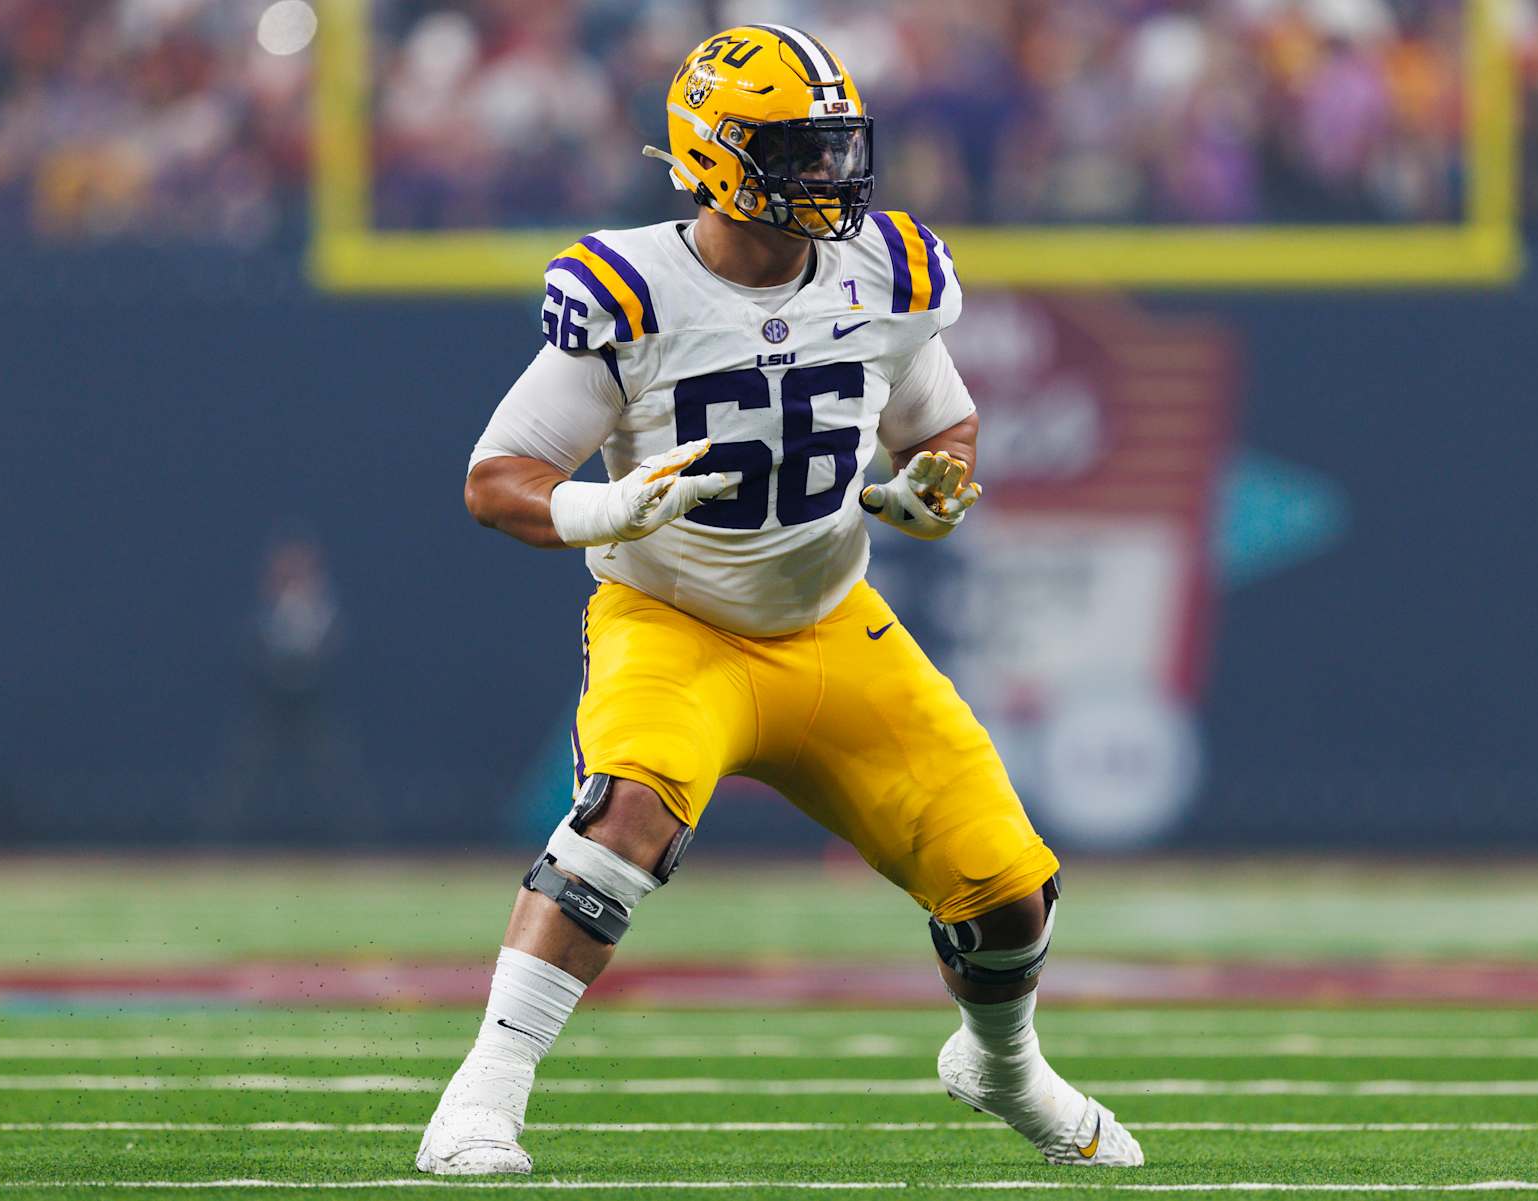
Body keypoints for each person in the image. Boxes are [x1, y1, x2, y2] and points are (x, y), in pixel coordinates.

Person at [419, 24, 1143, 1176]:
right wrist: (600, 512)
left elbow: (940, 416)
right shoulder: (632, 290)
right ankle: (481, 1097)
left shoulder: (882, 273)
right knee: (623, 822)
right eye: (797, 153)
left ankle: (1001, 1067)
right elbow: (495, 479)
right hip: (673, 622)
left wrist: (933, 484)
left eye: (836, 149)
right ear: (714, 155)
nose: (830, 177)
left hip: (834, 625)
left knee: (1008, 891)